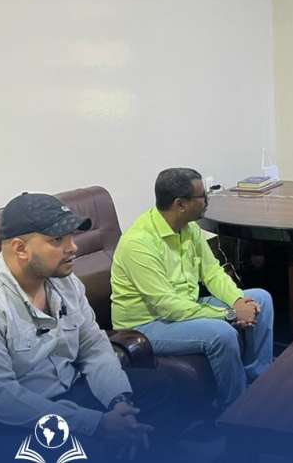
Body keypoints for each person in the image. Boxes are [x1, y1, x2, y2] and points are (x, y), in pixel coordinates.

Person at [0, 193, 171, 460]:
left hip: (69, 389)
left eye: (72, 236)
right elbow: (2, 400)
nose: (73, 247)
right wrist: (96, 424)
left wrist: (118, 401)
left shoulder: (64, 280)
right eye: (58, 240)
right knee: (80, 449)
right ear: (20, 249)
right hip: (5, 422)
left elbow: (93, 345)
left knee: (159, 388)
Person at [110, 168, 274, 409]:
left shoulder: (188, 228)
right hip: (147, 324)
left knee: (261, 298)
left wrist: (238, 302)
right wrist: (230, 313)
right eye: (202, 197)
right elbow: (167, 306)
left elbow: (212, 272)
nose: (207, 201)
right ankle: (236, 407)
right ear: (180, 204)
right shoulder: (138, 243)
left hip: (186, 306)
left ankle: (257, 380)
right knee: (222, 333)